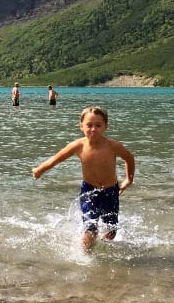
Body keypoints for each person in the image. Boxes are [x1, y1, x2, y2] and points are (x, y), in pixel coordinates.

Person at [32, 106, 135, 252]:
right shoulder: (78, 146)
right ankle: (86, 257)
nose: (93, 129)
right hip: (89, 191)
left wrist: (128, 180)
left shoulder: (113, 146)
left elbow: (129, 158)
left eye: (98, 125)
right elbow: (56, 159)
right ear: (81, 126)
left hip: (111, 192)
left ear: (106, 126)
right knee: (90, 229)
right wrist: (40, 170)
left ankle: (103, 250)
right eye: (89, 125)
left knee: (111, 232)